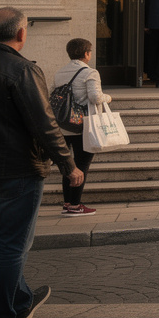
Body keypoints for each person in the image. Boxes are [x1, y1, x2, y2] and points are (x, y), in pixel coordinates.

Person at [0, 7, 82, 318]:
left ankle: (20, 301)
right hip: (17, 170)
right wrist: (68, 165)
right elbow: (44, 124)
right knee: (12, 247)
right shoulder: (22, 70)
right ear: (20, 34)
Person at [52, 38, 112, 217]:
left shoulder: (60, 72)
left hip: (64, 125)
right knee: (82, 164)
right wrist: (108, 98)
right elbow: (95, 97)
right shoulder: (90, 73)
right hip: (83, 126)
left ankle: (68, 203)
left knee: (69, 165)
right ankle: (75, 205)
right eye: (90, 51)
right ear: (86, 53)